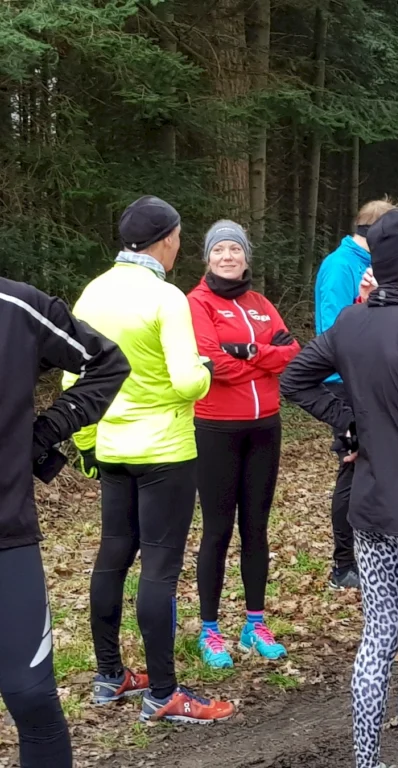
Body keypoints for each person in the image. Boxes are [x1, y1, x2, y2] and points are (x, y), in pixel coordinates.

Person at [281, 208, 398, 768]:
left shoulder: (351, 323)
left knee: (377, 638)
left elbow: (295, 378)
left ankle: (367, 761)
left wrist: (348, 421)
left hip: (369, 510)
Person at [65, 196, 235, 724]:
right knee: (159, 568)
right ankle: (164, 694)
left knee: (112, 558)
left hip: (112, 447)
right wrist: (206, 369)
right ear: (166, 239)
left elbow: (75, 379)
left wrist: (88, 442)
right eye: (179, 237)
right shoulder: (165, 297)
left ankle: (109, 676)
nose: (180, 246)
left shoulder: (92, 292)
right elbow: (187, 380)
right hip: (164, 450)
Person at [1, 278, 130, 767]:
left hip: (7, 537)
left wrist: (47, 431)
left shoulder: (15, 306)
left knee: (32, 697)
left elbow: (107, 362)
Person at [188, 221, 301, 669]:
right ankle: (210, 629)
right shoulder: (196, 303)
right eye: (220, 250)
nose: (228, 256)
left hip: (264, 428)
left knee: (256, 527)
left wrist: (246, 351)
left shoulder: (260, 303)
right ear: (208, 258)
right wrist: (260, 357)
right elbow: (210, 361)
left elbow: (291, 354)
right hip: (216, 428)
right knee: (217, 530)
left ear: (246, 257)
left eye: (235, 249)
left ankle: (255, 624)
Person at [314, 197, 396, 590]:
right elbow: (335, 328)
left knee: (369, 465)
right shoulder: (340, 266)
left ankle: (364, 556)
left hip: (366, 379)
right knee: (352, 465)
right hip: (344, 382)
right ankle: (343, 564)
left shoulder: (368, 264)